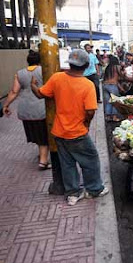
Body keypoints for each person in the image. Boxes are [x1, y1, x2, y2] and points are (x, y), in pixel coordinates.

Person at [31, 49, 108, 206]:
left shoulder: (57, 78)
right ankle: (94, 189)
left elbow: (40, 94)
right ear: (86, 65)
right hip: (77, 132)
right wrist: (86, 124)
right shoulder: (87, 85)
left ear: (70, 64)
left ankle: (73, 193)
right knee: (91, 160)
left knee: (67, 164)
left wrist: (33, 86)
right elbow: (90, 111)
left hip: (59, 132)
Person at [2, 50, 50, 170]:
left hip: (25, 110)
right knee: (44, 135)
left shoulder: (19, 73)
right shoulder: (44, 71)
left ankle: (41, 153)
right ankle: (43, 161)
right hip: (41, 108)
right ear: (40, 60)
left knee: (36, 133)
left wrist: (6, 105)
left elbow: (14, 92)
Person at [103, 55, 124, 122]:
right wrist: (123, 68)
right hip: (112, 85)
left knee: (109, 101)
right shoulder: (117, 67)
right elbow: (121, 75)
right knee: (115, 102)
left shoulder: (108, 68)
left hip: (105, 85)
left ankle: (108, 117)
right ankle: (114, 117)